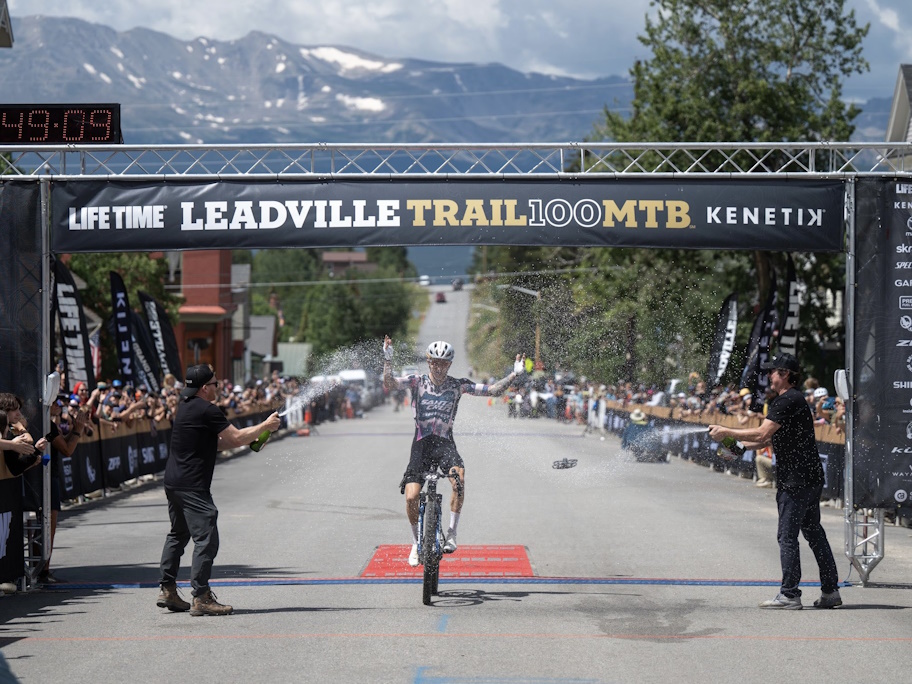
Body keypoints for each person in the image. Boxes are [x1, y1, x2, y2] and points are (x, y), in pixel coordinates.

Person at [709, 352, 841, 610]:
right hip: (810, 477)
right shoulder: (794, 400)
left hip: (796, 480)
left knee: (787, 536)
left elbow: (762, 431)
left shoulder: (786, 400)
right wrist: (736, 447)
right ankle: (830, 592)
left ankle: (790, 594)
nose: (769, 375)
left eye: (773, 371)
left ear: (786, 375)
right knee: (814, 534)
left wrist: (726, 431)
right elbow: (767, 440)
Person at [382, 337, 523, 567]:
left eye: (443, 364)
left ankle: (452, 533)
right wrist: (388, 359)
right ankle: (417, 543)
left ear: (449, 365)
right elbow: (390, 383)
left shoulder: (458, 385)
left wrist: (514, 375)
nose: (438, 368)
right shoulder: (417, 382)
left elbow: (494, 390)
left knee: (459, 479)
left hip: (445, 444)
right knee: (411, 496)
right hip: (421, 444)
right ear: (428, 363)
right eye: (434, 363)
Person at [157, 364, 280, 616]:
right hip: (192, 484)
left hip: (174, 481)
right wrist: (265, 425)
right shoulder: (207, 409)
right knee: (206, 537)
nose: (218, 386)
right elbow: (234, 438)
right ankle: (201, 597)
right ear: (205, 388)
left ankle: (167, 589)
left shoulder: (187, 406)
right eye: (215, 383)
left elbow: (220, 443)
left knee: (178, 534)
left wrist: (257, 435)